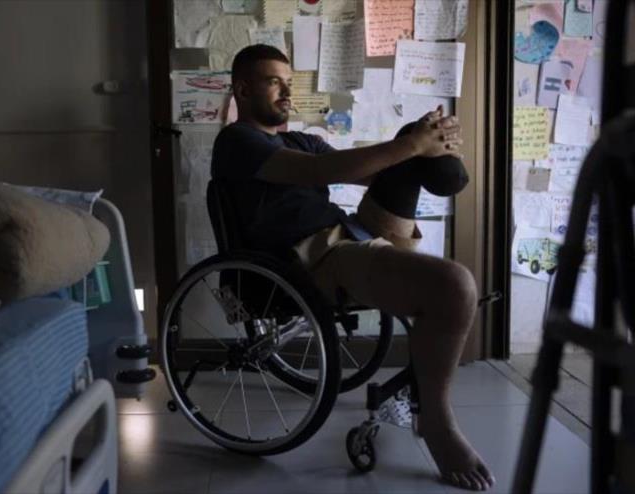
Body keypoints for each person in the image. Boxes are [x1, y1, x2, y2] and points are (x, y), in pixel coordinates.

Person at [210, 44, 494, 491]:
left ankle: (428, 163)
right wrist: (411, 145)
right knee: (456, 286)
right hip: (309, 259)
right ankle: (436, 422)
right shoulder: (237, 142)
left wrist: (425, 143)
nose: (287, 91)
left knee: (409, 155)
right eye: (273, 81)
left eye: (289, 81)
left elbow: (364, 171)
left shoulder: (299, 138)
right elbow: (324, 169)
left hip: (348, 233)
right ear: (243, 89)